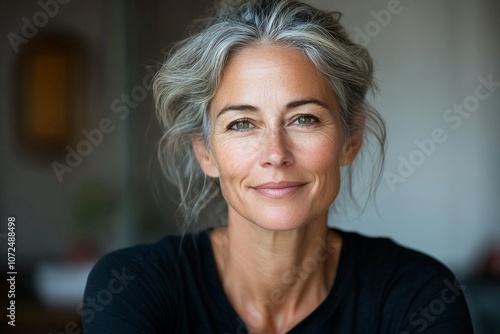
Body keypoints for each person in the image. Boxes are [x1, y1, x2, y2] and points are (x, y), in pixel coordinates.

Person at [83, 0, 474, 333]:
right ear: (205, 153)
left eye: (304, 118)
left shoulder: (418, 295)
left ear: (349, 139)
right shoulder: (131, 286)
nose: (276, 153)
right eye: (242, 124)